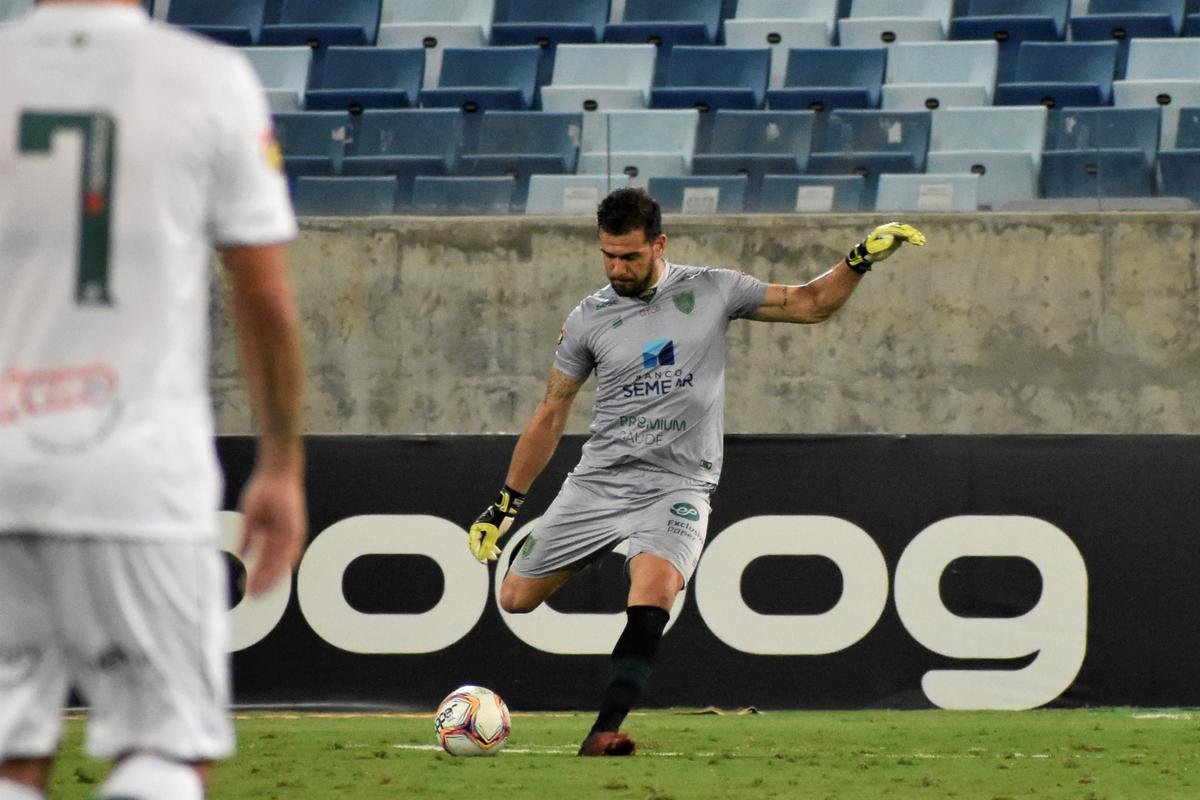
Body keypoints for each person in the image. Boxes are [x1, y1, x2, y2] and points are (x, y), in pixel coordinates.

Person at [469, 187, 924, 756]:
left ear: (659, 244)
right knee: (515, 597)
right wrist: (506, 503)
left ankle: (604, 731)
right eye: (608, 255)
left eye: (630, 256)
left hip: (678, 485)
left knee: (655, 592)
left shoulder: (712, 289)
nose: (617, 268)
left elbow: (809, 303)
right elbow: (551, 411)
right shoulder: (587, 319)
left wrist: (858, 260)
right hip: (600, 483)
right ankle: (599, 545)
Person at [0, 2, 306, 798]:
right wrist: (280, 462)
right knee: (165, 750)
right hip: (138, 473)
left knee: (9, 756)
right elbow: (264, 295)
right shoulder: (207, 79)